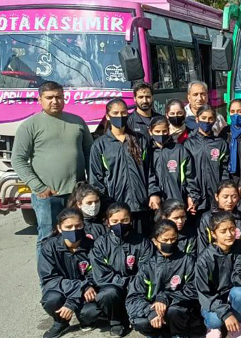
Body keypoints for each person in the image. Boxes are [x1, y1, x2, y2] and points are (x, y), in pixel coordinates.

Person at [12, 81, 94, 251]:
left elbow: (89, 153)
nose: (54, 101)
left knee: (78, 234)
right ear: (40, 100)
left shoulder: (77, 122)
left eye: (58, 97)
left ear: (64, 99)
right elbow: (18, 160)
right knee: (48, 237)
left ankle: (78, 272)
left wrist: (89, 185)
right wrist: (39, 187)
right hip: (47, 196)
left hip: (76, 194)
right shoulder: (30, 126)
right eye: (49, 98)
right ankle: (48, 276)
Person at [89, 98, 159, 235]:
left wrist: (153, 193)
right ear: (108, 116)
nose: (120, 116)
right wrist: (107, 205)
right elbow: (96, 179)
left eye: (123, 113)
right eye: (115, 113)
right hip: (116, 209)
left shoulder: (140, 140)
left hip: (141, 206)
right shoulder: (100, 145)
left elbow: (150, 170)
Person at [90, 202, 155, 337]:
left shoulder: (142, 242)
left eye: (124, 220)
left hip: (136, 289)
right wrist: (125, 282)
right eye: (115, 221)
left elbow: (146, 271)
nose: (120, 224)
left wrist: (133, 284)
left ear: (130, 219)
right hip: (114, 288)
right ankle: (116, 320)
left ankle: (135, 315)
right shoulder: (100, 244)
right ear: (108, 222)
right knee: (107, 293)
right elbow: (101, 276)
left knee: (144, 324)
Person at [126, 220, 200, 337]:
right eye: (165, 240)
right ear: (155, 241)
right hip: (153, 311)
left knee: (174, 311)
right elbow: (133, 297)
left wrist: (166, 298)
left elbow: (194, 289)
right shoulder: (147, 266)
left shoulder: (188, 261)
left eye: (173, 239)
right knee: (141, 321)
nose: (169, 243)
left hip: (177, 309)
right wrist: (150, 312)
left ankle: (178, 334)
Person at [38, 208, 102, 338]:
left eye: (78, 225)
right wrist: (82, 287)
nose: (74, 230)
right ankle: (60, 322)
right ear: (60, 228)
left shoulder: (93, 246)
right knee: (51, 299)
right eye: (68, 227)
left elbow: (96, 274)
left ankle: (85, 320)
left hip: (87, 292)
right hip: (62, 290)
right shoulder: (49, 247)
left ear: (83, 225)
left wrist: (72, 301)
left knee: (91, 311)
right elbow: (50, 279)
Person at [195, 211, 241, 338]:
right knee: (215, 320)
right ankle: (212, 327)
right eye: (223, 231)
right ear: (213, 234)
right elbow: (204, 293)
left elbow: (240, 275)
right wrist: (226, 314)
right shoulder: (204, 259)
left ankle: (235, 327)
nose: (229, 234)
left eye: (232, 229)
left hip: (231, 296)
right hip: (212, 301)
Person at [184, 106, 230, 219]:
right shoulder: (188, 144)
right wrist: (191, 195)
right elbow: (186, 173)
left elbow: (224, 170)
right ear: (197, 119)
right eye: (203, 118)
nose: (206, 121)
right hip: (196, 198)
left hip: (215, 196)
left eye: (210, 118)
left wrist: (222, 192)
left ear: (214, 120)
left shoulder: (220, 144)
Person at [149, 116, 200, 211]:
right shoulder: (148, 151)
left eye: (164, 131)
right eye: (157, 132)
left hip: (177, 201)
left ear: (169, 131)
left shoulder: (179, 150)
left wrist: (192, 196)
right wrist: (153, 193)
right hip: (156, 205)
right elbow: (148, 176)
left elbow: (191, 176)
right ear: (150, 131)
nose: (161, 134)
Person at [196, 180, 241, 256]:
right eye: (225, 197)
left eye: (234, 197)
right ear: (217, 197)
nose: (230, 201)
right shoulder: (207, 218)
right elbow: (202, 248)